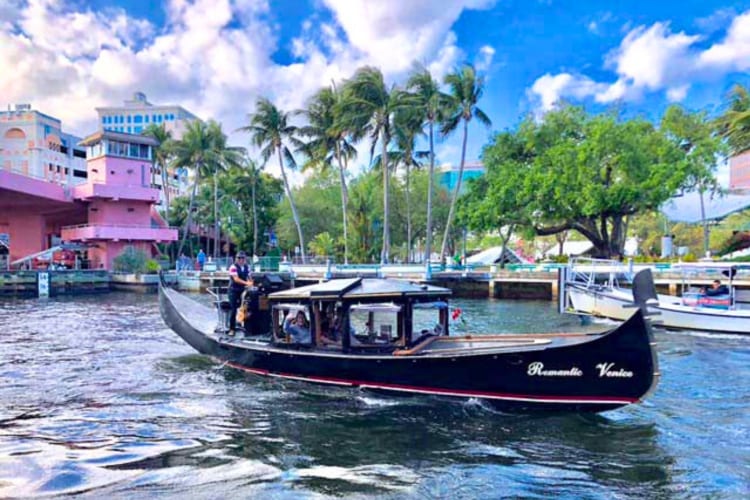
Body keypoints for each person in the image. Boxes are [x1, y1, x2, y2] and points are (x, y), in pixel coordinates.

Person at [227, 251, 253, 335]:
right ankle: (232, 329)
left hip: (242, 290)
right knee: (233, 309)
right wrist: (246, 283)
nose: (241, 260)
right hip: (233, 290)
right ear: (236, 259)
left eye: (242, 258)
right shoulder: (233, 267)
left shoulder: (247, 267)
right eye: (239, 258)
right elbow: (236, 279)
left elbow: (249, 277)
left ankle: (246, 326)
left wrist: (251, 283)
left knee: (247, 307)